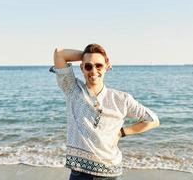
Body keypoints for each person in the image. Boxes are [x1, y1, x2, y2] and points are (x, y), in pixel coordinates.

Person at [50, 44, 160, 180]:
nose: (94, 71)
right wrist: (85, 55)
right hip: (80, 174)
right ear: (82, 68)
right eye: (88, 66)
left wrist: (122, 132)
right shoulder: (72, 89)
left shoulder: (121, 99)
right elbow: (59, 54)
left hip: (110, 173)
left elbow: (153, 120)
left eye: (99, 65)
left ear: (106, 66)